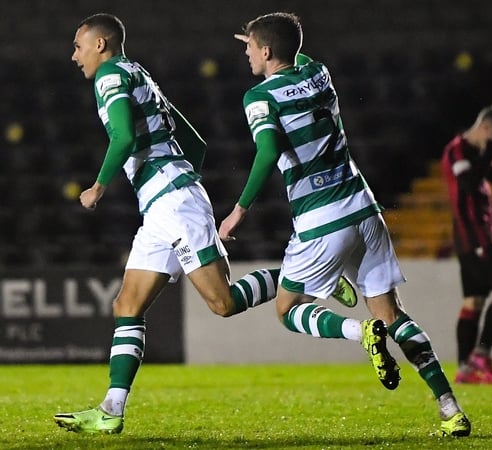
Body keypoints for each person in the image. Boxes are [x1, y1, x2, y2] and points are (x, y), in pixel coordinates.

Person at [53, 13, 356, 435]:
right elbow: (195, 142)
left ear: (100, 45)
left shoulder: (108, 76)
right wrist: (178, 179)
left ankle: (310, 278)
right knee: (127, 305)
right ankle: (111, 409)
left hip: (172, 205)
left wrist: (99, 187)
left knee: (223, 303)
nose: (74, 56)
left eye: (78, 46)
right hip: (164, 204)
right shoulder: (138, 73)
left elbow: (121, 137)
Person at [217, 12, 470, 437]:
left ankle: (358, 331)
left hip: (320, 219)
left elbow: (267, 151)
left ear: (266, 51)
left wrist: (240, 208)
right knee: (393, 313)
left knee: (287, 308)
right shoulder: (319, 73)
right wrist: (276, 39)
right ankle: (451, 409)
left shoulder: (258, 98)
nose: (245, 52)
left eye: (250, 46)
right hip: (363, 207)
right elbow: (295, 51)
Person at [440, 105, 492, 384]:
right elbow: (468, 184)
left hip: (475, 237)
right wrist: (490, 152)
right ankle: (481, 355)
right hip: (474, 237)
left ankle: (465, 368)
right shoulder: (457, 150)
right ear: (485, 128)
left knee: (474, 301)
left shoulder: (475, 155)